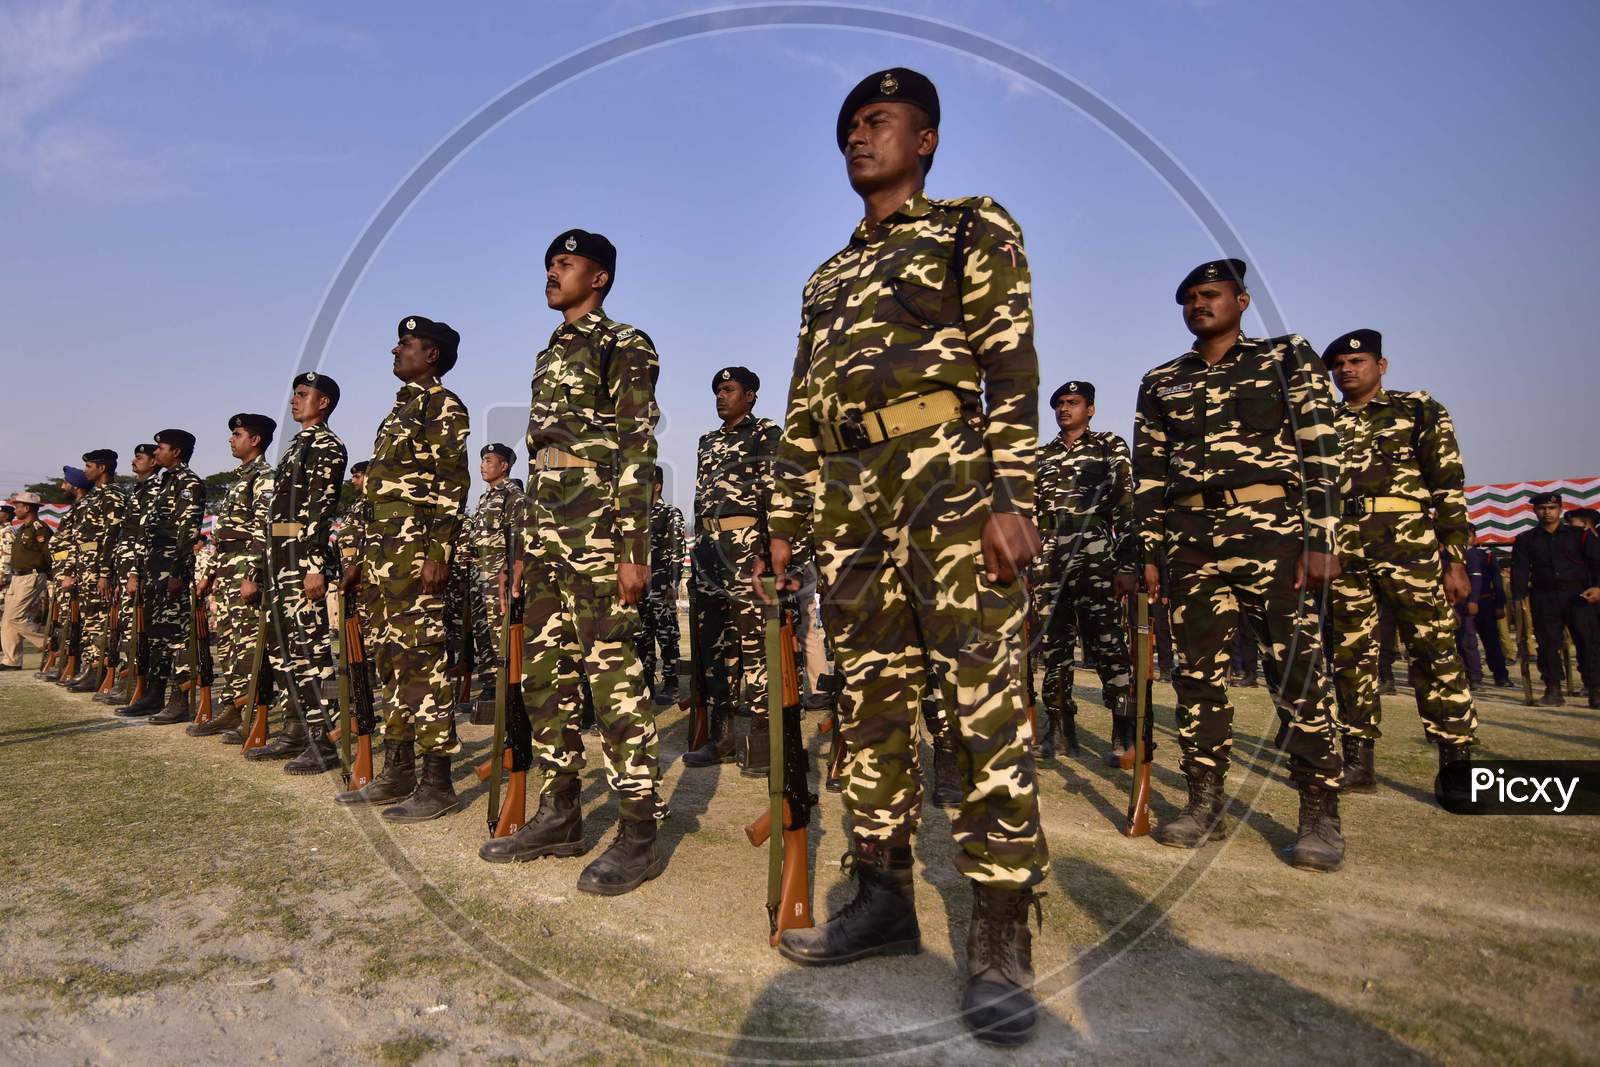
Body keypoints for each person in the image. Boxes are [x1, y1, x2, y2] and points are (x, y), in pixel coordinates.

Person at [756, 68, 1046, 1045]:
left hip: (949, 480)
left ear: (924, 139)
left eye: (878, 121)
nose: (857, 137)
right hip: (848, 497)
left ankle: (1001, 933)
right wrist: (783, 522)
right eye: (847, 126)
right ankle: (879, 895)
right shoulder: (825, 277)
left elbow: (1010, 367)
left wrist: (1012, 496)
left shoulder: (971, 226)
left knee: (981, 702)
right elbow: (800, 409)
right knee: (869, 699)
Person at [1132, 258, 1345, 872]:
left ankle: (1319, 810)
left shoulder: (1285, 358)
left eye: (1211, 294)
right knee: (1197, 676)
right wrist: (1149, 550)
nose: (1199, 304)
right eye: (1190, 298)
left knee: (1295, 667)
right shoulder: (1161, 380)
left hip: (1272, 529)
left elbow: (1319, 448)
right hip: (1189, 535)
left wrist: (1322, 537)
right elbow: (1149, 473)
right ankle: (1204, 802)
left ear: (1241, 301)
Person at [480, 228, 668, 897]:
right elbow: (540, 460)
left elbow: (637, 445)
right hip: (549, 528)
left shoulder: (625, 344)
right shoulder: (548, 353)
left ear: (600, 278)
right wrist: (525, 549)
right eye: (549, 264)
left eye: (565, 263)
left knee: (612, 677)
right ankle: (560, 814)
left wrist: (632, 548)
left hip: (597, 527)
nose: (552, 272)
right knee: (543, 675)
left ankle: (640, 829)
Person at [1322, 328, 1476, 790]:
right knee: (1351, 655)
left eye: (1358, 362)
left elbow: (1448, 486)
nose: (1347, 371)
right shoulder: (1322, 422)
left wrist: (1455, 559)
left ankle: (1456, 761)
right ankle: (1358, 760)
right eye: (1340, 366)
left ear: (1381, 366)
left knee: (1433, 649)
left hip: (1409, 544)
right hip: (1345, 547)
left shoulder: (1417, 409)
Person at [338, 318, 471, 817]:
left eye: (407, 344)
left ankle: (437, 782)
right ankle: (398, 770)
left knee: (422, 661)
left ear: (431, 354)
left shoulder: (444, 405)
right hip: (382, 554)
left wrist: (439, 552)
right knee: (391, 660)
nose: (396, 349)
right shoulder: (400, 409)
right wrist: (358, 559)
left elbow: (452, 482)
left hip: (415, 552)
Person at [245, 374, 348, 771]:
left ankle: (326, 739)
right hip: (279, 559)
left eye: (303, 395)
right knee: (282, 652)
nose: (294, 400)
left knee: (312, 652)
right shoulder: (295, 447)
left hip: (301, 561)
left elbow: (321, 510)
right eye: (294, 394)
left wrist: (314, 566)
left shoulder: (326, 445)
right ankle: (296, 730)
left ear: (323, 404)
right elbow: (276, 514)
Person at [1032, 379, 1136, 763]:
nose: (1064, 409)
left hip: (1094, 549)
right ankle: (1059, 729)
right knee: (1054, 645)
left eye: (1073, 402)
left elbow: (1126, 504)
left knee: (1106, 640)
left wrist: (1128, 562)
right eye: (1059, 403)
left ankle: (1124, 730)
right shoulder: (1041, 456)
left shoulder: (1109, 446)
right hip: (1048, 555)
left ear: (1089, 409)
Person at [683, 366, 780, 775]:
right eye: (718, 391)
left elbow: (776, 493)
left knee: (754, 641)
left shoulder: (766, 434)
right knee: (713, 646)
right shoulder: (708, 442)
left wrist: (768, 550)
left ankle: (762, 737)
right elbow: (700, 498)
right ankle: (720, 736)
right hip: (708, 548)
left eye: (730, 389)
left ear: (751, 395)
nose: (721, 396)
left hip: (746, 546)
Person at [190, 414, 275, 738]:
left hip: (244, 569)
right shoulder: (240, 479)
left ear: (254, 440)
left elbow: (264, 530)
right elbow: (221, 537)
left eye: (236, 434)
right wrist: (209, 573)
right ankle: (234, 706)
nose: (230, 439)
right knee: (227, 642)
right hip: (226, 568)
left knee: (248, 644)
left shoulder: (264, 477)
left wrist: (252, 573)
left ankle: (253, 711)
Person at [138, 430, 208, 724]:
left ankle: (179, 700)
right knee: (157, 635)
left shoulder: (188, 483)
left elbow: (187, 531)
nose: (156, 454)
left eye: (161, 448)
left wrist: (178, 572)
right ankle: (154, 695)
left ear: (176, 452)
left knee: (177, 637)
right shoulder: (165, 482)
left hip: (172, 567)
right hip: (156, 566)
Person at [1511, 491, 1600, 707]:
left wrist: (1598, 587)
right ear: (1535, 511)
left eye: (1551, 508)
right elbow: (1520, 571)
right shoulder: (1526, 540)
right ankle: (1553, 690)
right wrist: (1518, 597)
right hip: (1544, 596)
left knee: (1588, 642)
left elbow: (1596, 563)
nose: (1547, 512)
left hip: (1578, 595)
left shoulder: (1580, 535)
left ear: (1560, 509)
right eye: (1542, 509)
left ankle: (1595, 689)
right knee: (1548, 644)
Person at [459, 443, 520, 719]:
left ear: (504, 466)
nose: (483, 465)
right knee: (483, 636)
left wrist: (510, 576)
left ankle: (509, 696)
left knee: (501, 637)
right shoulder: (485, 498)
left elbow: (519, 540)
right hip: (478, 575)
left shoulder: (512, 495)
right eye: (482, 460)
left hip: (498, 578)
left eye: (488, 460)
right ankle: (491, 691)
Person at [98, 443, 160, 706]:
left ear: (154, 461)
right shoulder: (138, 490)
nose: (134, 461)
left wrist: (134, 573)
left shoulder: (156, 490)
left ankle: (135, 682)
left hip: (140, 569)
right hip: (126, 569)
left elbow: (145, 535)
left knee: (138, 628)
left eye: (140, 457)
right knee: (126, 626)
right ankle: (128, 678)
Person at [63, 450, 127, 692]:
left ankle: (100, 669)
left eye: (89, 466)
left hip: (99, 567)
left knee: (101, 620)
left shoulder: (113, 496)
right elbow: (81, 539)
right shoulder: (93, 497)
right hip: (86, 566)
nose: (85, 471)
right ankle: (91, 666)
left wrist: (104, 573)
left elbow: (113, 536)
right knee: (91, 619)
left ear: (102, 468)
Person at [639, 465, 685, 707]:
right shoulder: (637, 517)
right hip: (641, 587)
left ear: (657, 486)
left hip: (661, 584)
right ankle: (647, 684)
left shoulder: (670, 513)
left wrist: (673, 582)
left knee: (667, 636)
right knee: (643, 637)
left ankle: (671, 683)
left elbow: (678, 549)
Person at [43, 467, 90, 682]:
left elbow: (79, 543)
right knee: (64, 620)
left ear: (76, 486)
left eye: (66, 482)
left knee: (76, 620)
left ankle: (76, 665)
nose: (63, 486)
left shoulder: (85, 507)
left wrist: (70, 572)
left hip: (74, 572)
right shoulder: (76, 508)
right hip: (63, 571)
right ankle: (64, 662)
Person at [1, 493, 51, 670]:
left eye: (18, 506)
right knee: (7, 620)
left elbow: (48, 555)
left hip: (32, 576)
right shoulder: (23, 528)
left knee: (16, 617)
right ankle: (11, 660)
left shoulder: (40, 529)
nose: (16, 510)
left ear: (27, 508)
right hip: (16, 577)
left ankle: (49, 642)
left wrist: (51, 578)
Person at [1461, 537, 1511, 688]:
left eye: (1468, 535)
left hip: (1485, 602)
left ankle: (1501, 675)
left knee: (1492, 641)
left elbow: (1497, 582)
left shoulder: (1486, 556)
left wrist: (1499, 605)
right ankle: (1473, 676)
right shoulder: (1453, 556)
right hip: (1462, 604)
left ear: (1474, 537)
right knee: (1466, 641)